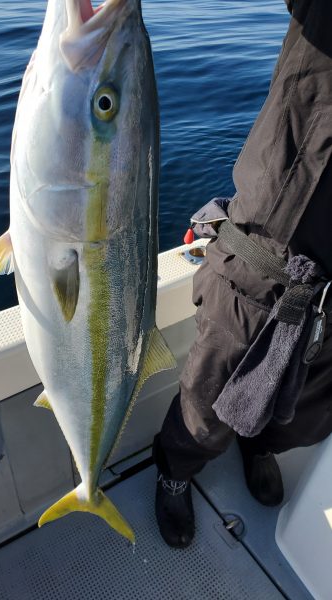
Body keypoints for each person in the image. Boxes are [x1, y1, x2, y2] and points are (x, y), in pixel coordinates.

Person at [153, 0, 332, 548]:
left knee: (306, 412)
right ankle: (175, 469)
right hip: (262, 266)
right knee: (207, 402)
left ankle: (262, 443)